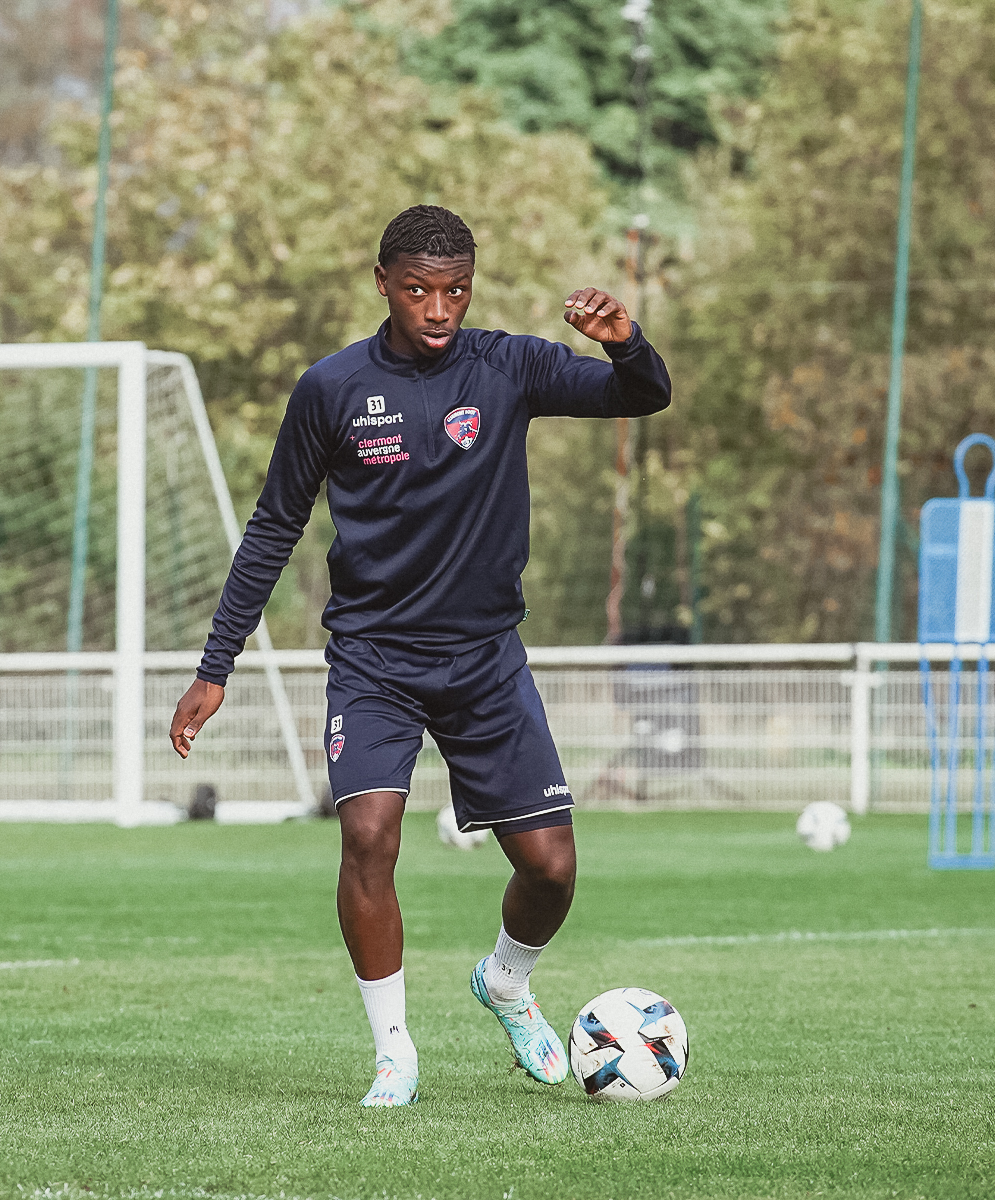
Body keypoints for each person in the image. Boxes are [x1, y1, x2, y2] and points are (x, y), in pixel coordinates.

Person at [168, 205, 671, 1106]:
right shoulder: (331, 388)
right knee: (367, 834)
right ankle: (394, 1052)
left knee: (551, 868)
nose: (438, 309)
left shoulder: (509, 366)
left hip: (485, 659)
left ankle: (507, 982)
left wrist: (624, 341)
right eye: (418, 291)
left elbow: (642, 396)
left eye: (455, 291)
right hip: (373, 659)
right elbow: (273, 527)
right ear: (382, 283)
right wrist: (216, 666)